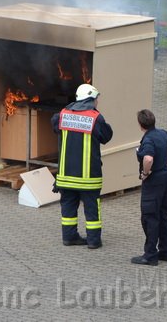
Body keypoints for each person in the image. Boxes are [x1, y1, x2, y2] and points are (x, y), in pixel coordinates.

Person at [51, 83, 113, 249]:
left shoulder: (63, 115)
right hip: (88, 178)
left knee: (68, 208)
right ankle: (93, 241)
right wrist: (96, 114)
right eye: (97, 99)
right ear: (91, 98)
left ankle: (69, 237)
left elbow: (54, 125)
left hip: (65, 175)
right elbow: (107, 136)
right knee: (92, 209)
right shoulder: (95, 118)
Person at [131, 108, 167, 266]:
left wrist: (145, 173)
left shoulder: (148, 140)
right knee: (163, 215)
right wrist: (166, 161)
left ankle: (150, 255)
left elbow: (148, 159)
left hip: (153, 182)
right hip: (165, 178)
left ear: (140, 125)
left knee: (149, 217)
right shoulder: (162, 134)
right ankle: (166, 251)